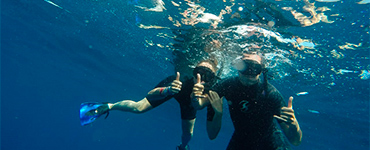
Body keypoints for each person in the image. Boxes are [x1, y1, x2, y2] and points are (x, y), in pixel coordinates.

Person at [79, 59, 223, 150]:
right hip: (174, 91)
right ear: (193, 71)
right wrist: (168, 90)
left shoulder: (213, 92)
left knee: (187, 133)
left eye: (207, 75)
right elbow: (149, 94)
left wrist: (200, 100)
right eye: (198, 72)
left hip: (188, 106)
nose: (201, 77)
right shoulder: (179, 80)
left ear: (213, 79)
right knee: (138, 108)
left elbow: (200, 108)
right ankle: (109, 106)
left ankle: (183, 147)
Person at [214, 52, 302, 150]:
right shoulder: (228, 85)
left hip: (271, 142)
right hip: (241, 140)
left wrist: (294, 125)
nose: (250, 72)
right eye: (246, 66)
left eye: (255, 68)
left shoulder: (270, 94)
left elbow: (296, 141)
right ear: (238, 66)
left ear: (261, 71)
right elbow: (201, 102)